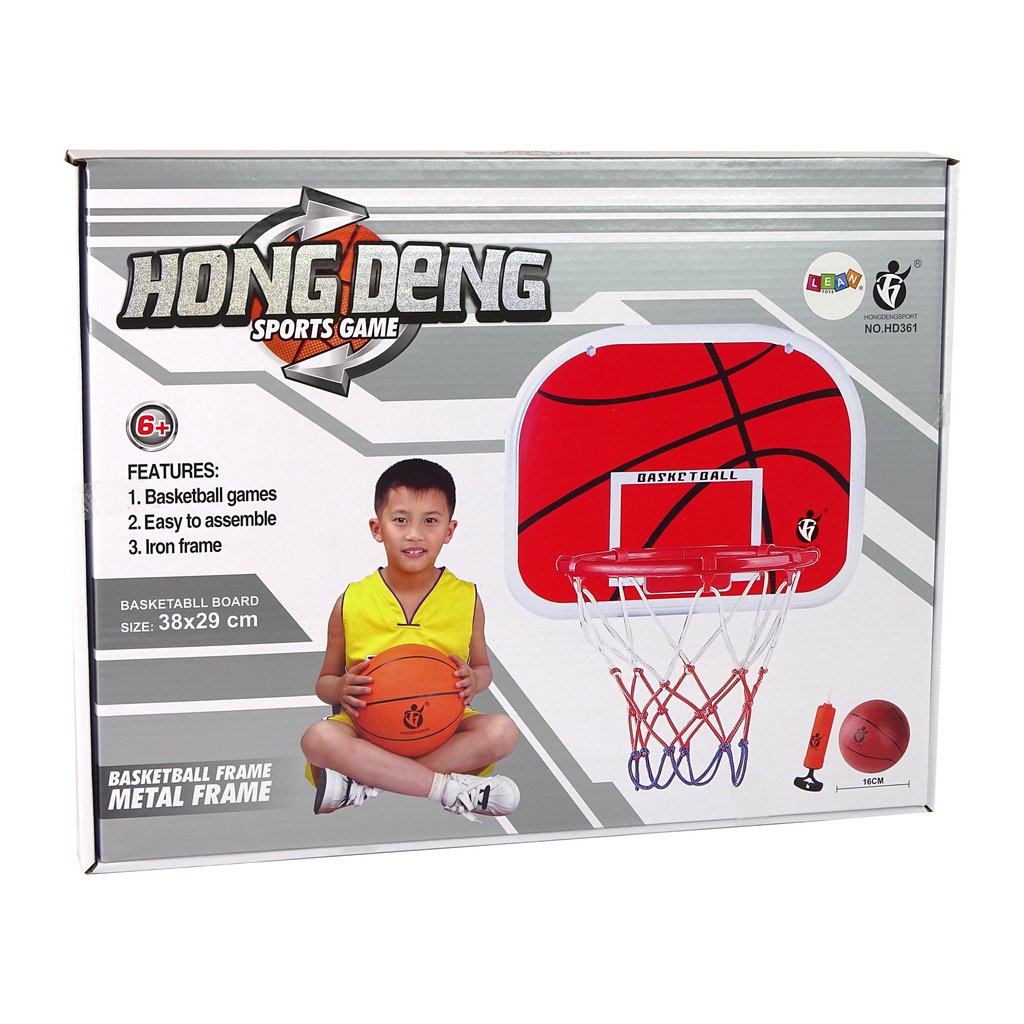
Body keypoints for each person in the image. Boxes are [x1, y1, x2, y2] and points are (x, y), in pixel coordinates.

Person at [301, 458, 520, 819]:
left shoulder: (467, 597)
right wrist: (340, 688)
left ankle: (365, 782)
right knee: (317, 738)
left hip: (443, 725)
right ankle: (448, 789)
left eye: (430, 521)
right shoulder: (351, 600)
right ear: (377, 528)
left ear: (449, 530)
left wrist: (474, 679)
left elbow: (483, 669)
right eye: (401, 520)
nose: (415, 534)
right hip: (364, 729)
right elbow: (324, 683)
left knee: (502, 731)